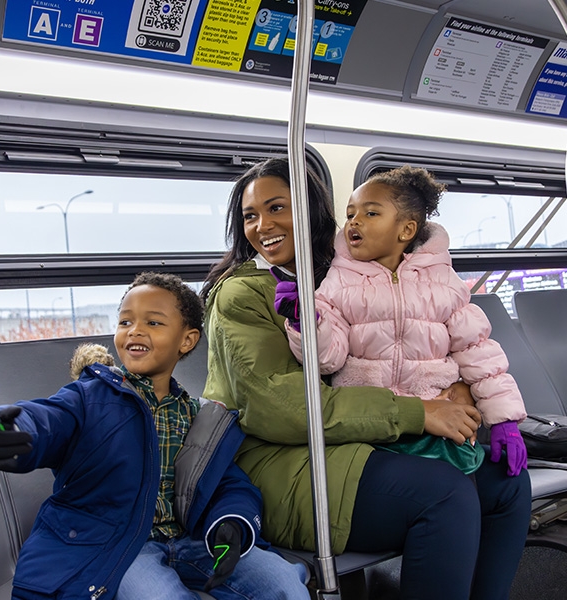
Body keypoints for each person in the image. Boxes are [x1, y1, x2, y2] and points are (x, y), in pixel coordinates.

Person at [201, 157, 532, 600]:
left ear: (312, 212)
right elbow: (282, 410)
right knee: (444, 496)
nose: (263, 225)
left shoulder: (348, 270)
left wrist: (463, 391)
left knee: (507, 482)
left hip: (360, 440)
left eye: (278, 208)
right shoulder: (242, 294)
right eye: (250, 216)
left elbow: (442, 341)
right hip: (283, 462)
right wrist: (420, 412)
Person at [0, 271, 310, 600]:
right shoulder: (90, 397)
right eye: (125, 321)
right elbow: (46, 420)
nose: (135, 331)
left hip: (190, 539)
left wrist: (231, 522)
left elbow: (227, 483)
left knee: (282, 581)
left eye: (154, 322)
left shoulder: (199, 415)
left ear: (187, 339)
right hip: (123, 543)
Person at [278, 165, 527, 477]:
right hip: (372, 421)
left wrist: (504, 419)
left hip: (437, 413)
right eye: (351, 213)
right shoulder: (338, 282)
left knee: (500, 484)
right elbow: (328, 359)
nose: (354, 221)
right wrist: (307, 323)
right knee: (445, 488)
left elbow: (478, 350)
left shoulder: (441, 281)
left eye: (370, 213)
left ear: (406, 230)